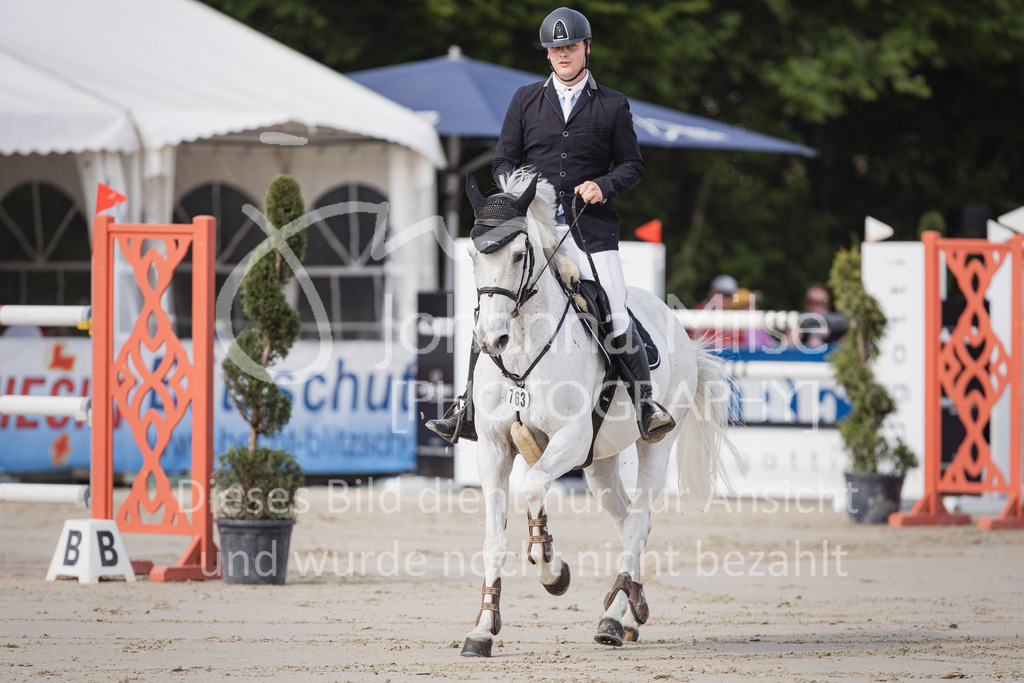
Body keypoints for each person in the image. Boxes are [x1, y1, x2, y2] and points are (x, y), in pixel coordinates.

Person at [427, 7, 675, 445]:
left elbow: (633, 165)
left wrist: (604, 184)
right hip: (534, 229)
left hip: (589, 228)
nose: (564, 54)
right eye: (556, 48)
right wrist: (513, 189)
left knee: (615, 308)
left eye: (571, 46)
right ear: (548, 54)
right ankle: (466, 408)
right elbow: (504, 158)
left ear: (586, 48)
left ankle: (644, 405)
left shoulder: (612, 104)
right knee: (492, 307)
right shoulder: (525, 100)